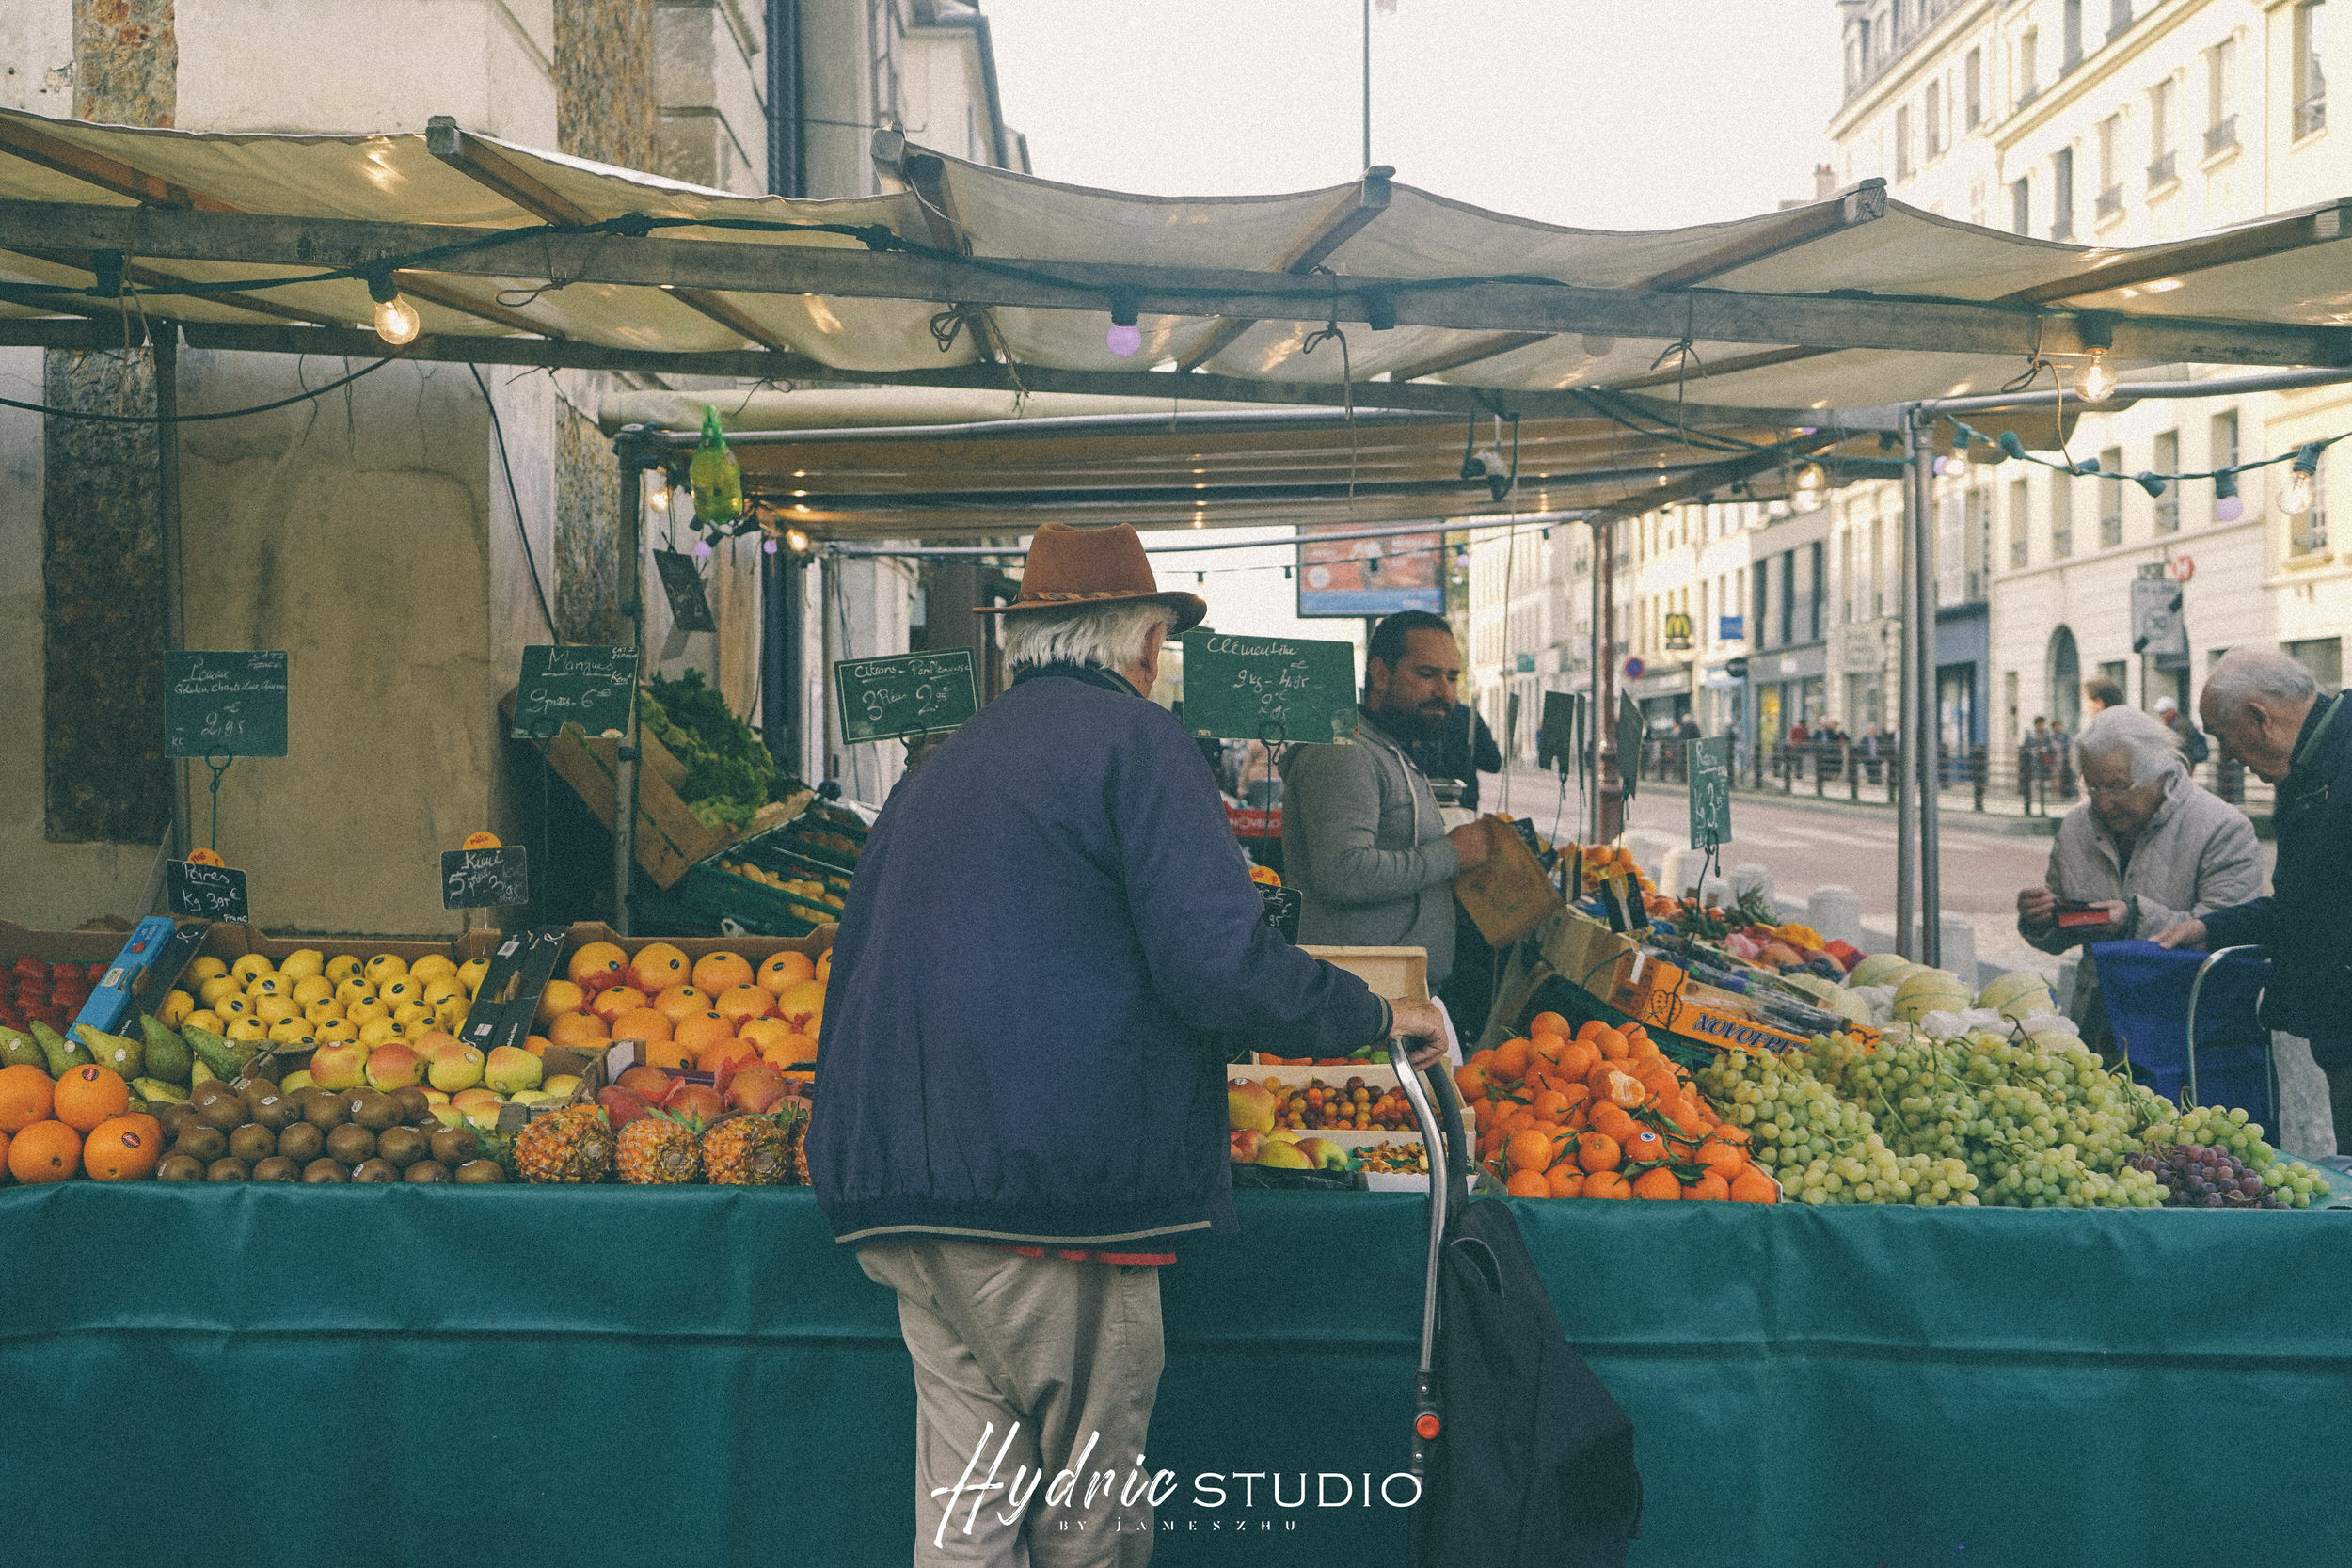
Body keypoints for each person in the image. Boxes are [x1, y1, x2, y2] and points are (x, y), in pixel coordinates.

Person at [808, 522, 1446, 1567]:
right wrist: (1372, 1012)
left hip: (903, 1187)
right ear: (1145, 644)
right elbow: (1217, 965)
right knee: (1085, 1521)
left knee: (968, 1515)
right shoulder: (1139, 745)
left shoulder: (952, 754)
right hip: (1049, 1195)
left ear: (1027, 639)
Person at [2155, 648, 2352, 1140]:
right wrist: (2213, 927)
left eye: (2224, 737)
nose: (2229, 757)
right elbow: (2305, 905)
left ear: (2258, 718)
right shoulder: (2307, 766)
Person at [2016, 706, 2263, 1052]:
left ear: (2158, 774)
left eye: (2117, 787)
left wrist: (2132, 920)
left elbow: (2228, 940)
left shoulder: (2222, 828)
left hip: (2189, 1032)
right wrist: (2041, 918)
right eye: (2094, 787)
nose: (2103, 803)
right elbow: (2058, 934)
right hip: (2097, 1026)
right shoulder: (2077, 827)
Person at [1282, 609, 1491, 991]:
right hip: (1359, 1001)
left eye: (1452, 677)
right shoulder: (1344, 751)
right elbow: (1342, 872)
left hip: (1397, 999)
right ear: (1380, 674)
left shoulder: (1391, 748)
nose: (1444, 691)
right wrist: (1452, 855)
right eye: (1427, 674)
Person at [1412, 700, 1503, 812]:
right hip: (1463, 804)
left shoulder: (1415, 713)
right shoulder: (1469, 717)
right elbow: (1493, 763)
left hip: (1421, 802)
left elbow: (1494, 763)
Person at [2153, 693, 2210, 765]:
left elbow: (2180, 744)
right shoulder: (2172, 722)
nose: (2161, 715)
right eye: (2160, 712)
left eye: (2163, 712)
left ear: (2171, 711)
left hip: (2185, 760)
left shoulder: (2179, 724)